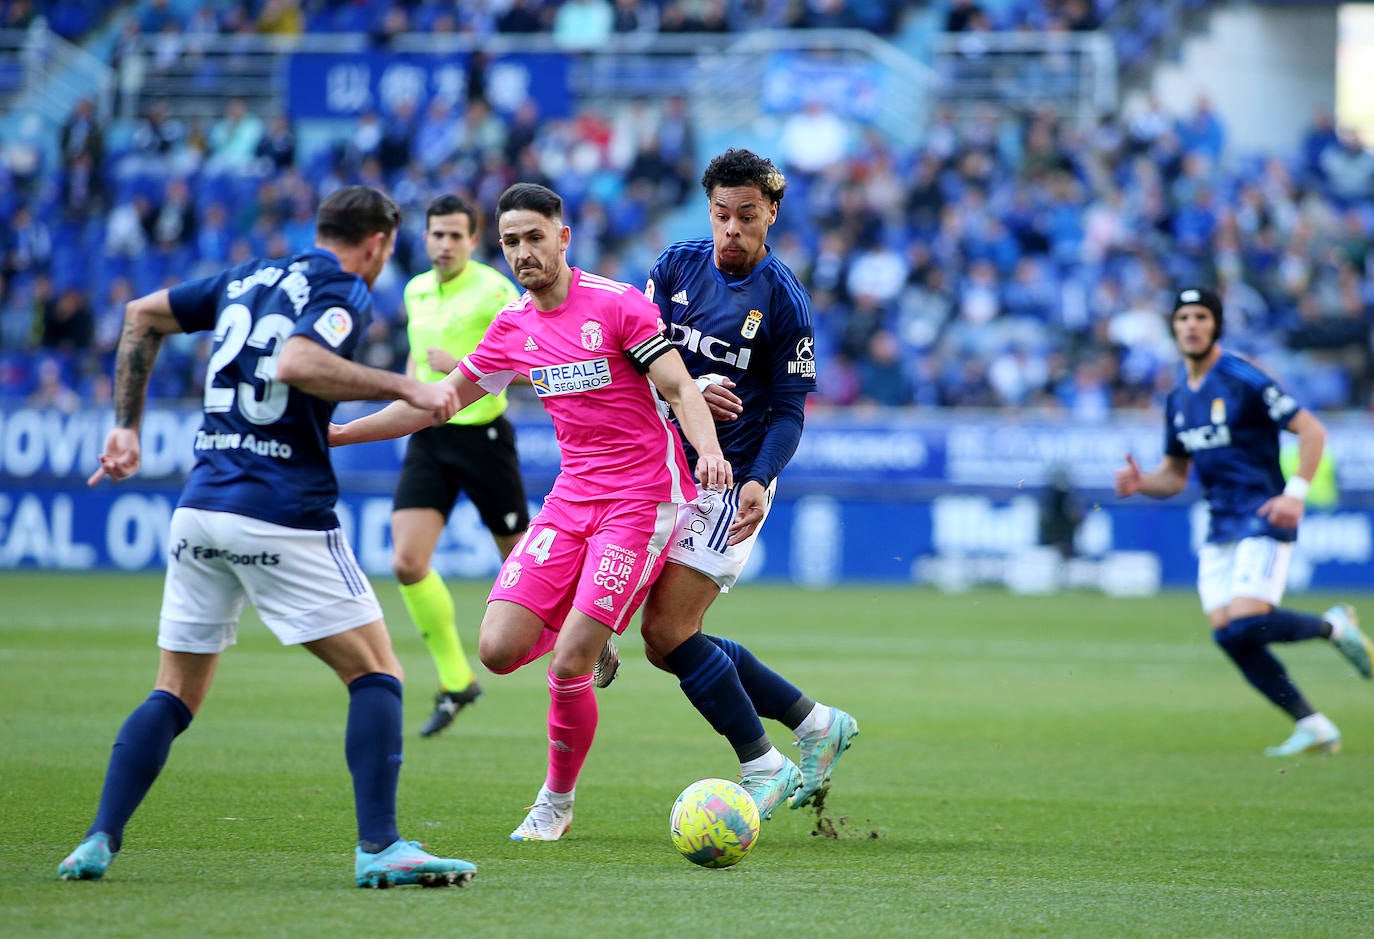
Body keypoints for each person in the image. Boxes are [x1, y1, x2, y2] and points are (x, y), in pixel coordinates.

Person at [58, 186, 477, 888]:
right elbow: (298, 363)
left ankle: (99, 836)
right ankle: (380, 845)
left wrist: (124, 424)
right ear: (376, 244)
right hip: (281, 508)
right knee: (377, 671)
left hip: (201, 508)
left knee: (175, 691)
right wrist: (405, 387)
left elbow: (141, 315)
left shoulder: (244, 276)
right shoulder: (343, 286)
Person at [331, 182, 730, 841]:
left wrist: (709, 450)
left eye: (534, 237)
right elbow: (438, 402)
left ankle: (555, 802)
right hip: (571, 500)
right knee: (496, 648)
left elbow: (679, 386)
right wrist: (343, 432)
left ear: (563, 237)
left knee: (567, 661)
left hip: (642, 500)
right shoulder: (513, 326)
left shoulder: (618, 305)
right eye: (510, 241)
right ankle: (592, 634)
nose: (522, 252)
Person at [638, 148, 858, 819]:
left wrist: (761, 479)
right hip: (659, 470)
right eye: (721, 215)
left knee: (670, 631)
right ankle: (816, 721)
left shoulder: (785, 300)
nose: (731, 230)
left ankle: (762, 761)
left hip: (729, 483)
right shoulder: (674, 265)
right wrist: (692, 387)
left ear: (771, 214)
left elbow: (791, 409)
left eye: (746, 217)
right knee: (666, 637)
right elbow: (635, 357)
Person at [1114, 286, 1372, 757]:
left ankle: (1335, 627)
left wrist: (1296, 493)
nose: (1192, 325)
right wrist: (1142, 483)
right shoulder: (1178, 399)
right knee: (1228, 635)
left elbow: (1311, 429)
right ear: (1173, 328)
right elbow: (1174, 475)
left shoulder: (1242, 378)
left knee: (1246, 622)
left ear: (1216, 325)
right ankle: (1314, 725)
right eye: (1184, 317)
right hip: (1221, 525)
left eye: (1201, 317)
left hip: (1263, 512)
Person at [392, 194, 528, 738]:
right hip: (430, 438)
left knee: (522, 568)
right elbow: (414, 362)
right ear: (425, 239)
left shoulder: (496, 290)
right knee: (406, 562)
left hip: (485, 440)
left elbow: (538, 362)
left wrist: (468, 369)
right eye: (436, 235)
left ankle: (588, 645)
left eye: (455, 236)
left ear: (474, 241)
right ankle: (456, 680)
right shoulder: (414, 290)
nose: (444, 244)